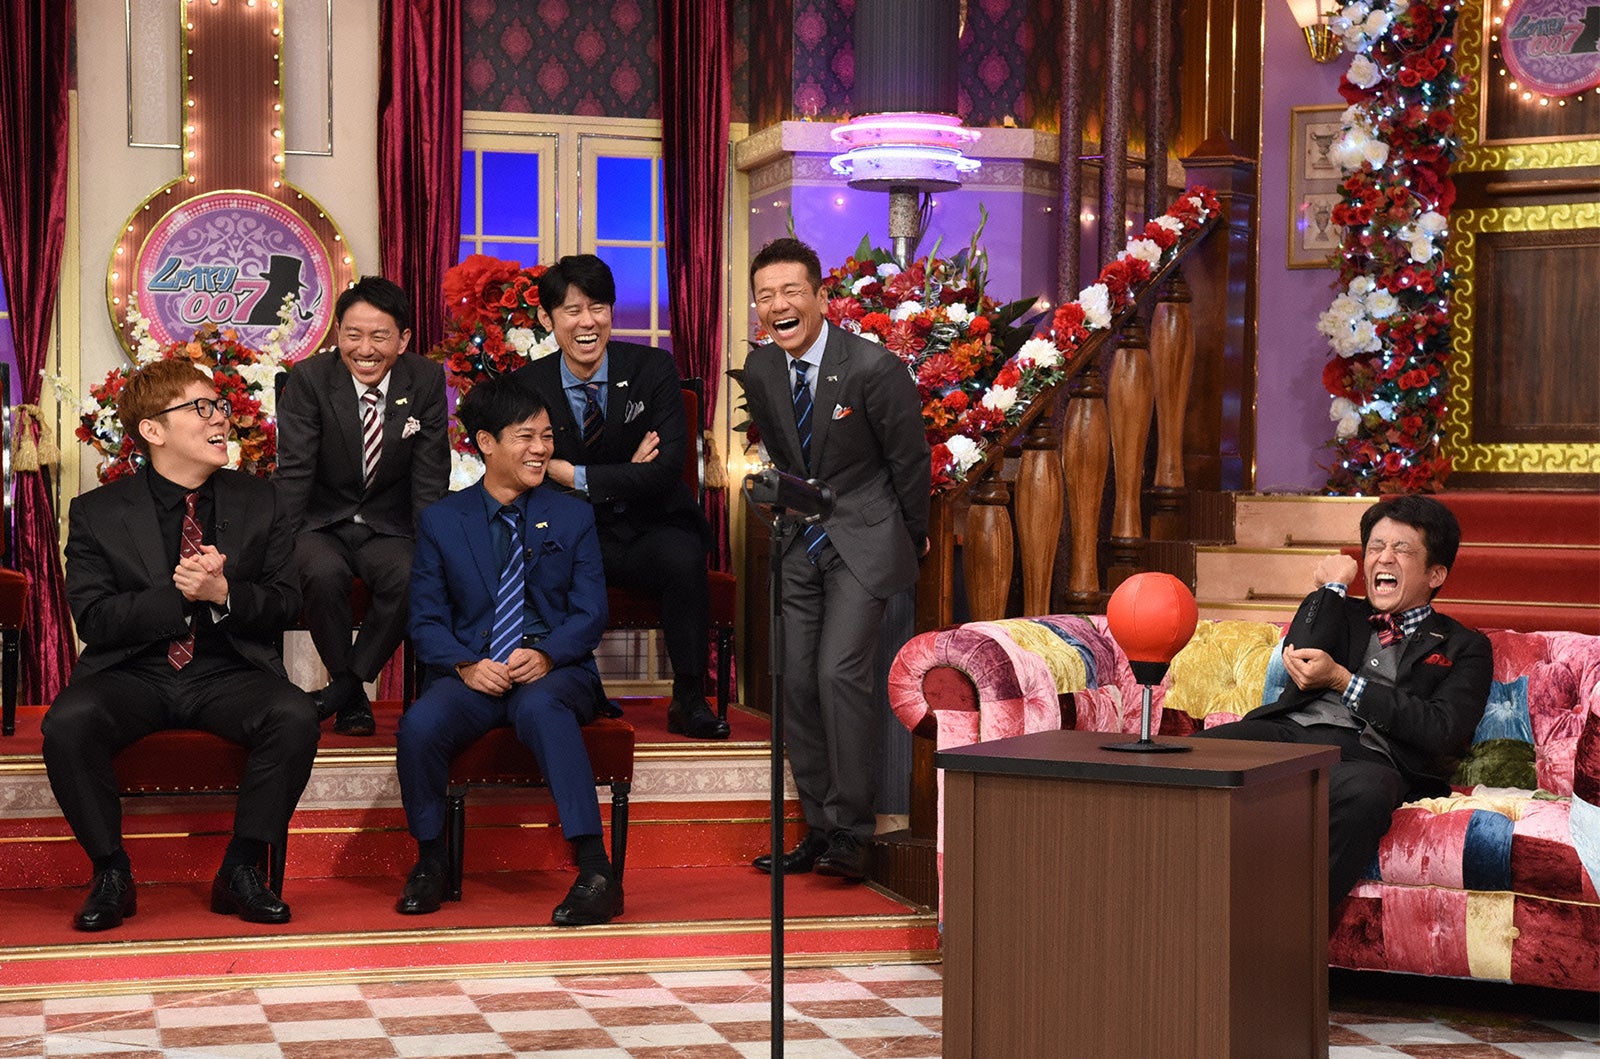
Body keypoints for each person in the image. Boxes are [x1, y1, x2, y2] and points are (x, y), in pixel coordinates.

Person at [42, 359, 320, 931]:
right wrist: (179, 596)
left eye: (220, 406)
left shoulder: (260, 501)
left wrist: (223, 593)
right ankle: (111, 871)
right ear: (153, 430)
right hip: (133, 672)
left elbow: (287, 602)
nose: (221, 418)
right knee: (67, 723)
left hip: (227, 670)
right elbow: (94, 618)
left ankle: (241, 869)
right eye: (202, 408)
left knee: (294, 715)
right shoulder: (98, 512)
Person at [393, 374, 622, 926]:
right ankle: (430, 862)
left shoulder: (572, 514)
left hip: (555, 669)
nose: (541, 449)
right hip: (476, 671)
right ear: (486, 443)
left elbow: (590, 612)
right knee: (419, 725)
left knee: (541, 706)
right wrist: (466, 666)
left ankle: (596, 871)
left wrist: (546, 656)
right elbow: (425, 619)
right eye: (526, 437)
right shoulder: (443, 521)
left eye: (547, 436)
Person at [740, 237, 931, 881]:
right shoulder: (762, 370)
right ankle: (818, 828)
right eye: (765, 296)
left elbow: (909, 460)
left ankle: (852, 831)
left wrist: (911, 534)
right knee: (794, 682)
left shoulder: (873, 368)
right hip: (799, 541)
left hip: (863, 540)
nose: (778, 305)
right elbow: (785, 454)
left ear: (821, 297)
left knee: (837, 675)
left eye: (791, 291)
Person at [1196, 494, 1492, 904]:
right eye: (1375, 546)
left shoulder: (1465, 646)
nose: (1384, 558)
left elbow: (1441, 728)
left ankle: (1290, 925)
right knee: (1189, 758)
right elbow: (1302, 652)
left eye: (1402, 549)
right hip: (1288, 733)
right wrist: (1332, 587)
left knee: (1369, 792)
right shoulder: (1340, 609)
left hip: (1371, 757)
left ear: (1435, 573)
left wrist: (1344, 681)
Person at [512, 254, 728, 740]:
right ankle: (576, 688)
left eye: (598, 307)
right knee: (541, 557)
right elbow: (526, 473)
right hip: (575, 533)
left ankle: (689, 698)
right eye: (572, 310)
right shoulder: (528, 386)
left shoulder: (652, 368)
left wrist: (573, 473)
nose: (587, 322)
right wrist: (629, 469)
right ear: (547, 319)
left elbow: (666, 470)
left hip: (653, 524)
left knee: (683, 557)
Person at [274, 277, 449, 735]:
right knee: (321, 573)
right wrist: (277, 546)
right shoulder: (311, 378)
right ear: (338, 334)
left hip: (388, 524)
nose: (365, 349)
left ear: (403, 339)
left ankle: (344, 689)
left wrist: (433, 549)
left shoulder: (425, 379)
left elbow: (430, 475)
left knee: (411, 574)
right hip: (321, 522)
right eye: (353, 335)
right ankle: (351, 695)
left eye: (379, 336)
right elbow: (294, 470)